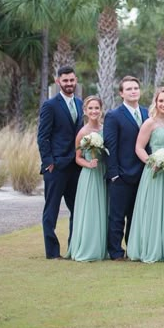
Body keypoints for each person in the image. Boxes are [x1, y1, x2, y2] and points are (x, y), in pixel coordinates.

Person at [127, 87, 164, 263]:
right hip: (155, 171)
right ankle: (151, 247)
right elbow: (139, 147)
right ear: (156, 103)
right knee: (154, 209)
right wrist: (152, 162)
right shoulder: (150, 123)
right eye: (161, 101)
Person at [36, 65, 82, 259]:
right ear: (58, 82)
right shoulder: (50, 105)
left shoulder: (81, 104)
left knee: (77, 210)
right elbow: (42, 136)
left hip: (76, 167)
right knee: (51, 211)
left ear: (76, 80)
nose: (69, 84)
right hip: (56, 167)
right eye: (65, 81)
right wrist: (48, 162)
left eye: (71, 80)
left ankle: (74, 248)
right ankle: (53, 252)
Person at [104, 76, 148, 261]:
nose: (133, 91)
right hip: (121, 175)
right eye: (129, 89)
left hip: (143, 174)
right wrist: (114, 174)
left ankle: (133, 248)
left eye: (136, 88)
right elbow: (110, 146)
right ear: (121, 93)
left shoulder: (147, 113)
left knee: (136, 215)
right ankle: (115, 252)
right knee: (117, 216)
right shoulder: (114, 116)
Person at [66, 96, 108, 261]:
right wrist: (88, 164)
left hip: (103, 172)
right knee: (90, 211)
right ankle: (87, 248)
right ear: (85, 111)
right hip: (89, 175)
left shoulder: (105, 129)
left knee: (104, 210)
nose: (94, 111)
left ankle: (102, 247)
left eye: (96, 108)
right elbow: (77, 157)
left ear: (101, 110)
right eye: (90, 108)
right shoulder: (82, 132)